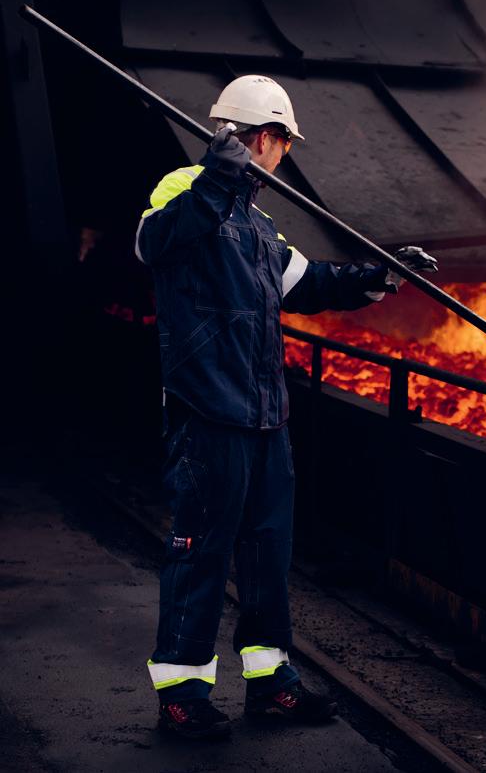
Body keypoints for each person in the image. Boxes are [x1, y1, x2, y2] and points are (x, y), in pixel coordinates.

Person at [135, 75, 437, 740]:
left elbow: (311, 283)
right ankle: (182, 693)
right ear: (265, 138)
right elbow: (154, 242)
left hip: (266, 419)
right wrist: (217, 178)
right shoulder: (185, 189)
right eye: (283, 143)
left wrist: (381, 275)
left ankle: (272, 683)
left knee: (267, 555)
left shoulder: (260, 225)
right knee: (200, 552)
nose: (284, 157)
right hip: (208, 414)